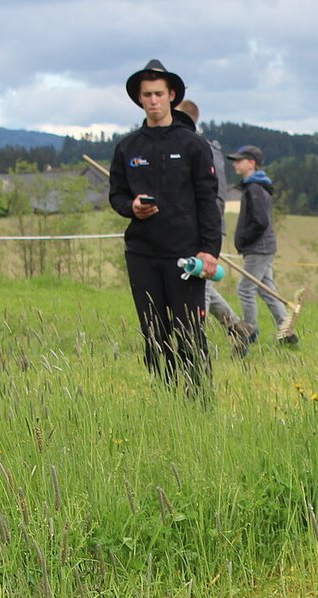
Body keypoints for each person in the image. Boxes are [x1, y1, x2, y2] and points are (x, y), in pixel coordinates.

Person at [108, 60, 221, 393]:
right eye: (147, 95)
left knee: (189, 332)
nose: (153, 101)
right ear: (139, 99)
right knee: (154, 333)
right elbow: (116, 195)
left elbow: (208, 200)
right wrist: (132, 207)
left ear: (171, 95)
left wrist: (209, 250)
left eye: (159, 94)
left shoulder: (193, 145)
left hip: (185, 255)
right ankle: (166, 398)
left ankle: (199, 400)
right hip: (142, 253)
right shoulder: (127, 147)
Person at [174, 97, 248, 355]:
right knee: (201, 281)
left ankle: (195, 343)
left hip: (205, 227)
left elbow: (211, 194)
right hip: (189, 225)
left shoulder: (202, 149)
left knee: (201, 284)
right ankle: (237, 328)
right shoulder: (189, 145)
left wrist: (207, 231)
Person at [227, 145, 296, 346]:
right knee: (267, 290)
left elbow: (259, 221)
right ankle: (287, 333)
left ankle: (250, 330)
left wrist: (244, 239)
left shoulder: (254, 188)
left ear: (251, 163)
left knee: (245, 289)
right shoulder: (255, 186)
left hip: (258, 248)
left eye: (239, 160)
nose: (235, 163)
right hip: (263, 247)